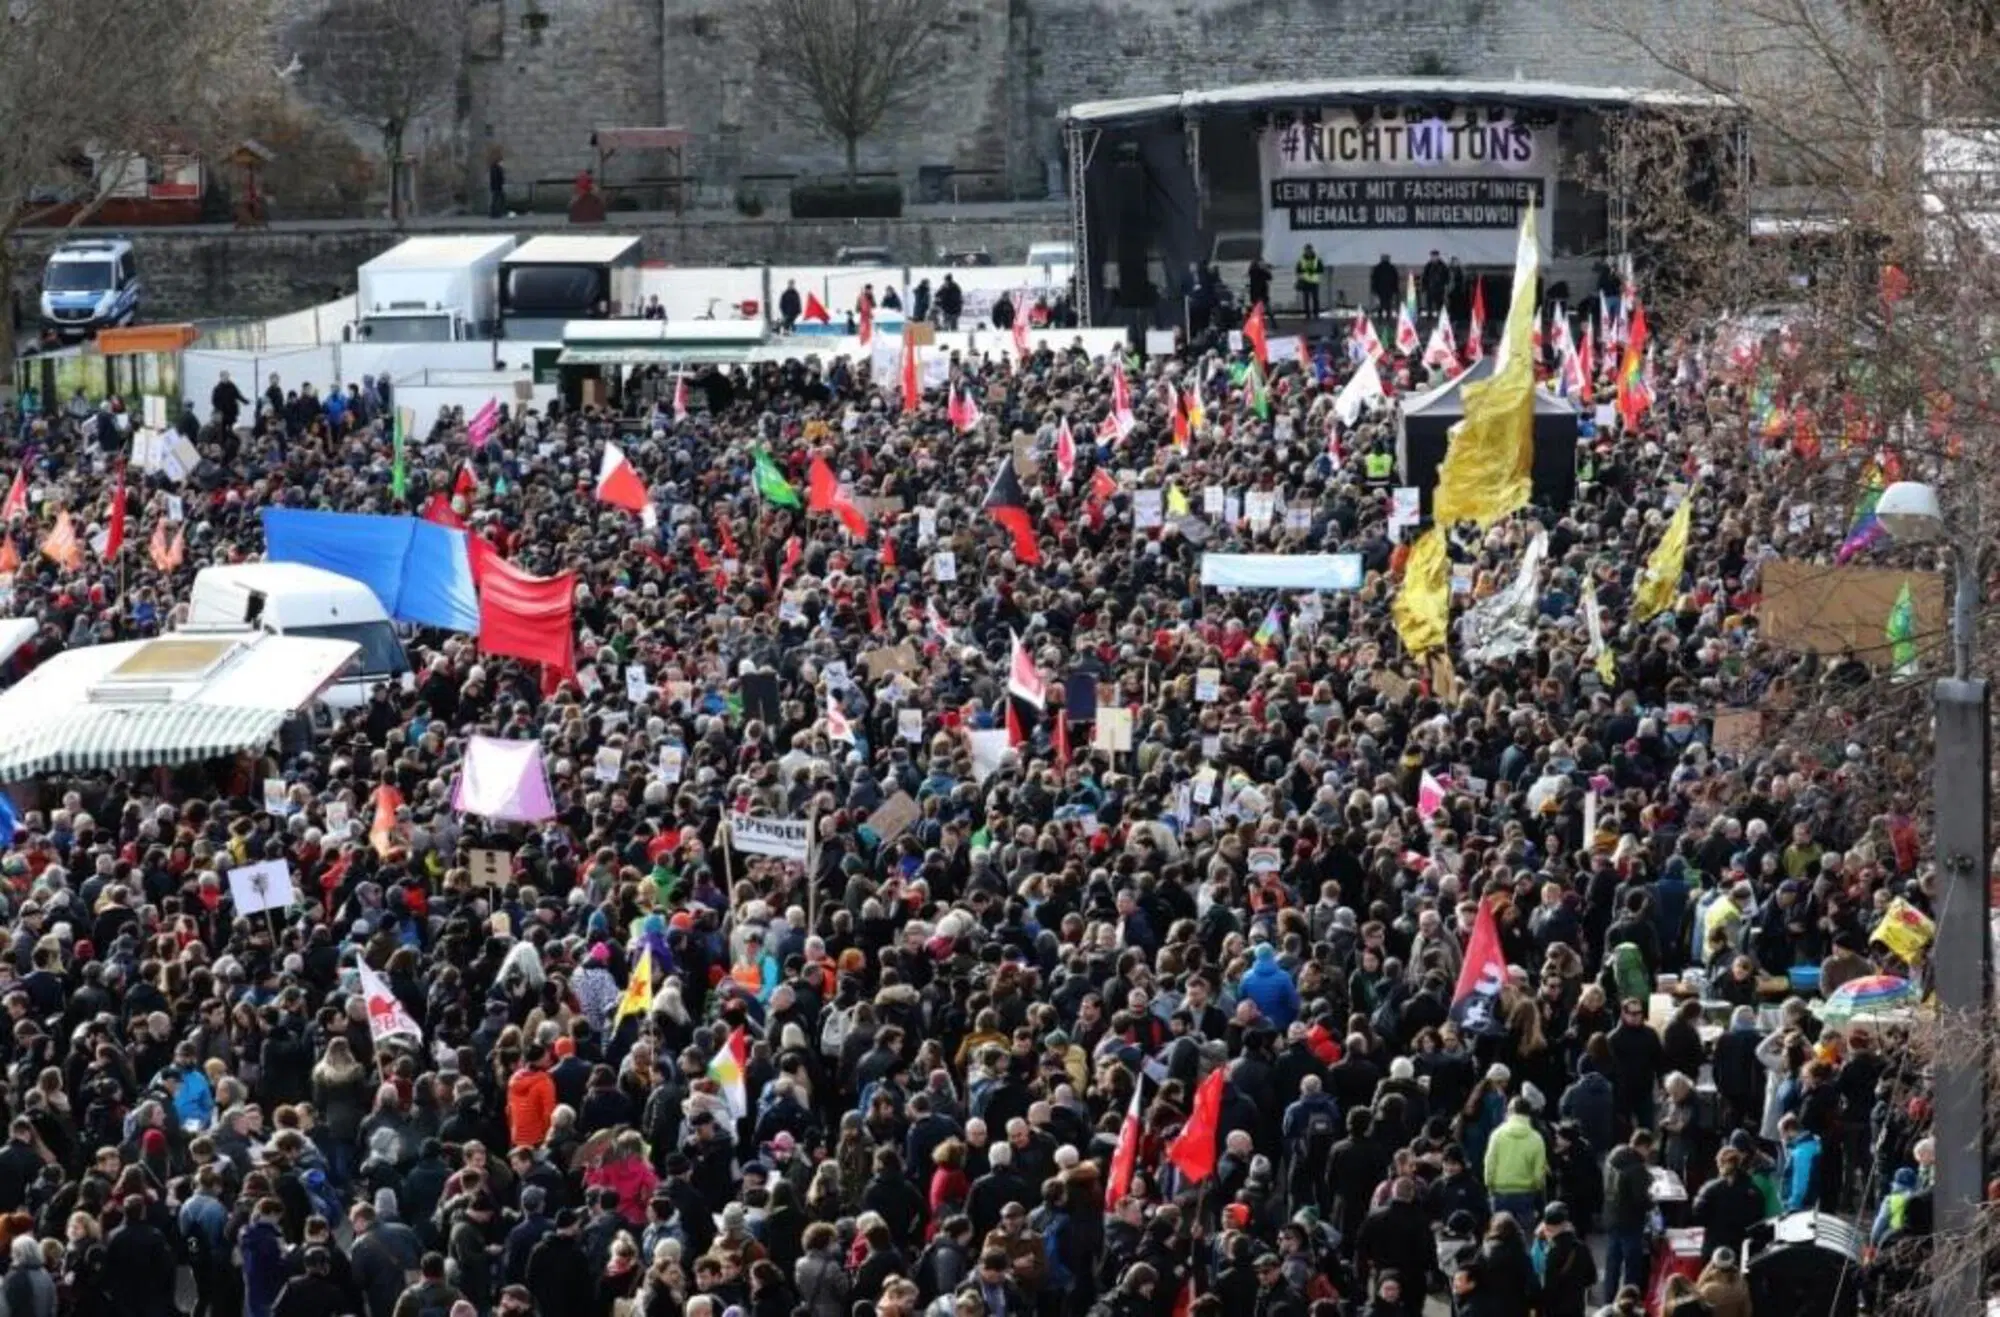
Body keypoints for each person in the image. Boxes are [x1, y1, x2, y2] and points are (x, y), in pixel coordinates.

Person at [1292, 246, 1321, 320]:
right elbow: (1298, 270)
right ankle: (1307, 314)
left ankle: (1316, 314)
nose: (1308, 252)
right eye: (1306, 250)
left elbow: (1320, 269)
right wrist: (1302, 275)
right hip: (1305, 282)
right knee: (1306, 299)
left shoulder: (1316, 259)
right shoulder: (1301, 260)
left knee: (1315, 299)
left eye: (1309, 250)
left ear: (1311, 250)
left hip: (1314, 282)